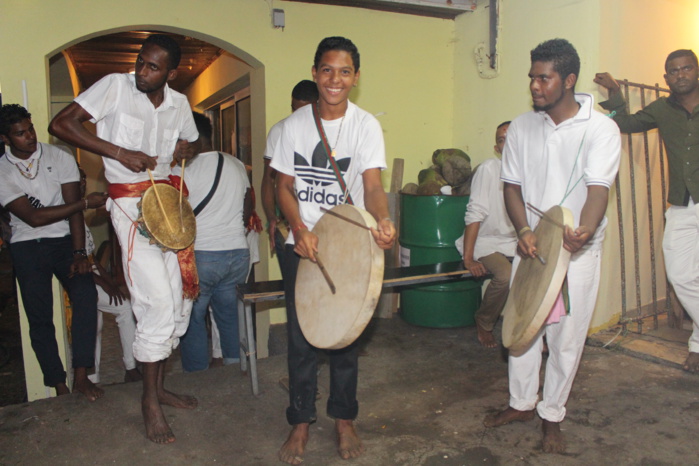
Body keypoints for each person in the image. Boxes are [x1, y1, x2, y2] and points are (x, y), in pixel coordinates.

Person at [48, 34, 201, 444]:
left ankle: (160, 387)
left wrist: (188, 148)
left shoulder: (179, 104)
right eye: (140, 62)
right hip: (129, 206)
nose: (142, 71)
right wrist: (118, 153)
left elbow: (191, 142)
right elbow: (61, 124)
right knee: (157, 302)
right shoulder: (115, 86)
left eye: (152, 67)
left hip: (167, 204)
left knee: (179, 300)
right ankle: (149, 402)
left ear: (171, 73)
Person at [484, 39, 621, 453]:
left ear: (569, 80)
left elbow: (599, 189)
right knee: (524, 327)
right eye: (532, 78)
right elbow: (512, 186)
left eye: (544, 78)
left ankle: (552, 414)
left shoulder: (601, 129)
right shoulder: (523, 127)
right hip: (532, 246)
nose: (535, 86)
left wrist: (585, 229)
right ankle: (522, 403)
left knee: (565, 337)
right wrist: (523, 230)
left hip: (576, 250)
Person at [271, 36, 396, 464]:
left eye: (344, 71)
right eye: (327, 70)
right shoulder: (293, 126)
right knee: (302, 338)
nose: (335, 79)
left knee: (346, 336)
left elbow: (373, 186)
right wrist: (299, 228)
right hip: (301, 244)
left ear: (355, 77)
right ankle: (300, 422)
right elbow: (283, 186)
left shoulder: (365, 126)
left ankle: (344, 419)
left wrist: (381, 219)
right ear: (315, 73)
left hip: (348, 245)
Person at [594, 50, 699, 373]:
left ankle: (696, 343)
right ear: (666, 78)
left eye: (685, 68)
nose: (680, 75)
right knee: (680, 274)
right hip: (682, 202)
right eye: (673, 71)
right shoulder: (661, 109)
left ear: (696, 71)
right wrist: (615, 94)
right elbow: (623, 124)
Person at [0, 104, 107, 401]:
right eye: (20, 134)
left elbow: (71, 210)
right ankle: (58, 385)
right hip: (25, 246)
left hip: (63, 241)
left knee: (86, 295)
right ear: (6, 139)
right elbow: (33, 218)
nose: (30, 136)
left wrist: (79, 253)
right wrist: (85, 204)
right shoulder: (2, 170)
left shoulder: (59, 157)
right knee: (39, 317)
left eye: (30, 128)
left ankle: (82, 376)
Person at [175, 112, 251, 372]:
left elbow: (175, 216)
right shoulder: (236, 164)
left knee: (193, 320)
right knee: (229, 318)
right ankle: (234, 371)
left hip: (202, 255)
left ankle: (197, 379)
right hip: (238, 253)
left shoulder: (182, 170)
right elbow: (247, 203)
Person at [455, 121, 516, 348]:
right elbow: (475, 213)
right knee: (505, 276)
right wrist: (468, 258)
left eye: (512, 137)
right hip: (486, 242)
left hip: (516, 242)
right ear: (497, 148)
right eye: (501, 140)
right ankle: (484, 320)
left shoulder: (532, 171)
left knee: (545, 272)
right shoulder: (489, 169)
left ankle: (535, 331)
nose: (507, 144)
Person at [77, 168, 140, 384]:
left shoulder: (77, 213)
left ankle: (109, 373)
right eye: (78, 179)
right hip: (78, 276)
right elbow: (76, 262)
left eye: (84, 178)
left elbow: (91, 258)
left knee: (100, 320)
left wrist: (108, 280)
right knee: (115, 312)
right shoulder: (67, 213)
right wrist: (105, 282)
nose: (83, 183)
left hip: (91, 273)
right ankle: (128, 368)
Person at [262, 80, 319, 273]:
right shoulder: (280, 131)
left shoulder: (330, 131)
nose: (297, 116)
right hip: (287, 225)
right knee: (294, 291)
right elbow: (269, 179)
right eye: (294, 109)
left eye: (303, 111)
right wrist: (272, 218)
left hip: (321, 224)